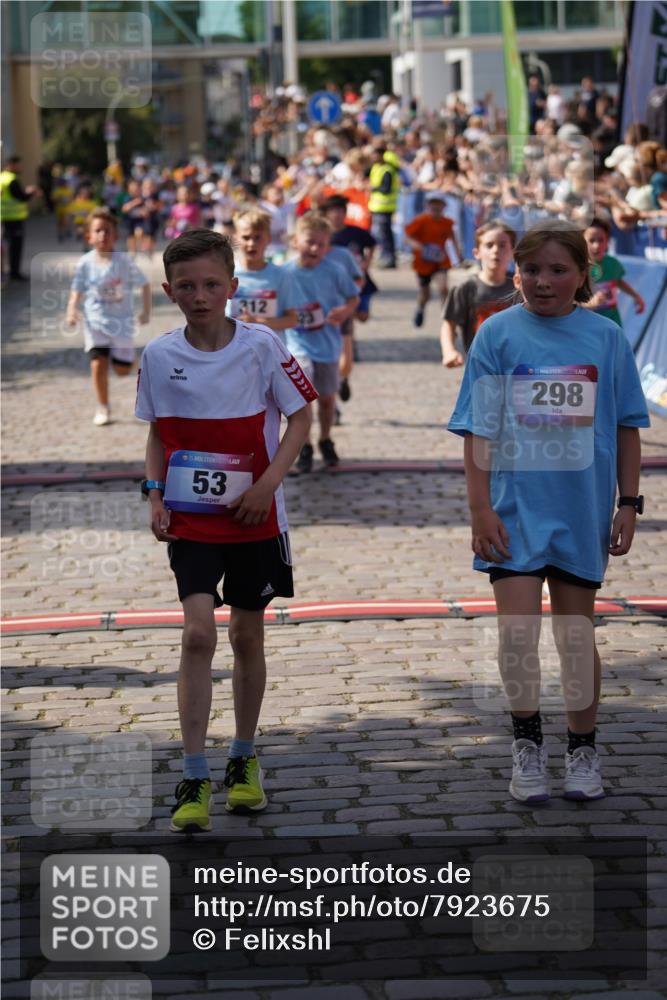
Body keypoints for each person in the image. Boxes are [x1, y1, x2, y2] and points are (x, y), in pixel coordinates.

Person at [448, 220, 649, 804]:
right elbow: (478, 429)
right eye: (532, 269)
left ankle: (582, 748)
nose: (543, 281)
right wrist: (480, 509)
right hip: (512, 509)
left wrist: (629, 503)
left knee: (575, 635)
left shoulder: (605, 337)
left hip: (580, 508)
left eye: (559, 270)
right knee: (517, 633)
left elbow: (629, 426)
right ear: (516, 273)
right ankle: (527, 744)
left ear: (584, 276)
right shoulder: (497, 335)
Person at [135, 228, 314, 832]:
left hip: (256, 518)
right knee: (195, 635)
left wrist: (268, 486)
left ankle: (242, 757)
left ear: (233, 287)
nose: (200, 295)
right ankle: (192, 770)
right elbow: (159, 432)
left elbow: (301, 414)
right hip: (191, 519)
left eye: (212, 284)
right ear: (169, 291)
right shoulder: (159, 355)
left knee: (245, 637)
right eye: (187, 286)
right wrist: (155, 494)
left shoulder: (262, 345)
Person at [285, 212, 360, 472]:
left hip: (327, 344)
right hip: (297, 344)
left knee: (327, 399)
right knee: (302, 396)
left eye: (321, 244)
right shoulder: (285, 273)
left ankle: (325, 439)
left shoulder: (334, 271)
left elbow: (353, 296)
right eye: (310, 242)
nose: (315, 248)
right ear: (296, 241)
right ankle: (303, 445)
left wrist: (344, 311)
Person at [66, 207, 150, 426]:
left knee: (121, 371)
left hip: (121, 323)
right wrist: (72, 309)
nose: (103, 235)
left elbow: (145, 284)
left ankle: (129, 362)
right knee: (97, 364)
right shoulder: (85, 262)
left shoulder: (124, 261)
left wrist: (145, 311)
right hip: (95, 321)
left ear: (115, 235)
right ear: (89, 236)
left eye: (107, 231)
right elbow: (78, 287)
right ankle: (103, 406)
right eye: (98, 231)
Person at [321, 193, 377, 402]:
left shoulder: (354, 234)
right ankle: (336, 382)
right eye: (333, 212)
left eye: (341, 211)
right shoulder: (322, 240)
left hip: (353, 288)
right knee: (341, 334)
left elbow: (371, 243)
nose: (337, 215)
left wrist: (365, 264)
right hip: (327, 299)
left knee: (360, 316)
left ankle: (344, 371)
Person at [440, 221, 516, 368]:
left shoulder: (521, 286)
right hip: (480, 366)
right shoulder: (466, 288)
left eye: (502, 245)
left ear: (512, 251)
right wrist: (449, 351)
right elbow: (449, 324)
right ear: (477, 253)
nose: (495, 250)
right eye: (489, 245)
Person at [227, 207, 297, 341]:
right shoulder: (226, 273)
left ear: (269, 239)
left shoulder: (281, 275)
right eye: (246, 237)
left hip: (270, 351)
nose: (251, 244)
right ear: (236, 238)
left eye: (258, 238)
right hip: (234, 350)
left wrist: (259, 324)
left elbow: (292, 319)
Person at [404, 191, 461, 329]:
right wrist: (420, 247)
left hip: (440, 261)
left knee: (443, 288)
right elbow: (407, 238)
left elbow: (453, 240)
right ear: (427, 205)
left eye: (438, 203)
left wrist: (458, 256)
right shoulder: (421, 221)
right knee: (425, 293)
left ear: (444, 206)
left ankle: (447, 319)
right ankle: (420, 308)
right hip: (423, 262)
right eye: (432, 203)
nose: (435, 206)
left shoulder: (447, 223)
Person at [583, 217, 645, 326]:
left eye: (601, 240)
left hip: (612, 322)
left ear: (607, 242)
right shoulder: (577, 268)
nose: (597, 245)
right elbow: (570, 301)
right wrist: (590, 304)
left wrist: (636, 296)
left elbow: (618, 282)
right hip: (588, 324)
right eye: (591, 240)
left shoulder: (612, 263)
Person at [0, 155, 39, 281]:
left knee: (6, 245)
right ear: (11, 165)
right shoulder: (11, 180)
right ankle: (14, 273)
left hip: (4, 217)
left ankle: (8, 271)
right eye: (19, 165)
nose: (20, 167)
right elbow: (21, 197)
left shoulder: (2, 178)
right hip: (13, 218)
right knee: (15, 247)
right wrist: (31, 192)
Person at [368, 142, 401, 268]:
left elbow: (385, 189)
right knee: (382, 234)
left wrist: (372, 189)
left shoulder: (387, 170)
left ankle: (389, 257)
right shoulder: (376, 168)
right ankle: (385, 256)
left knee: (385, 234)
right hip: (377, 206)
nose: (372, 157)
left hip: (385, 207)